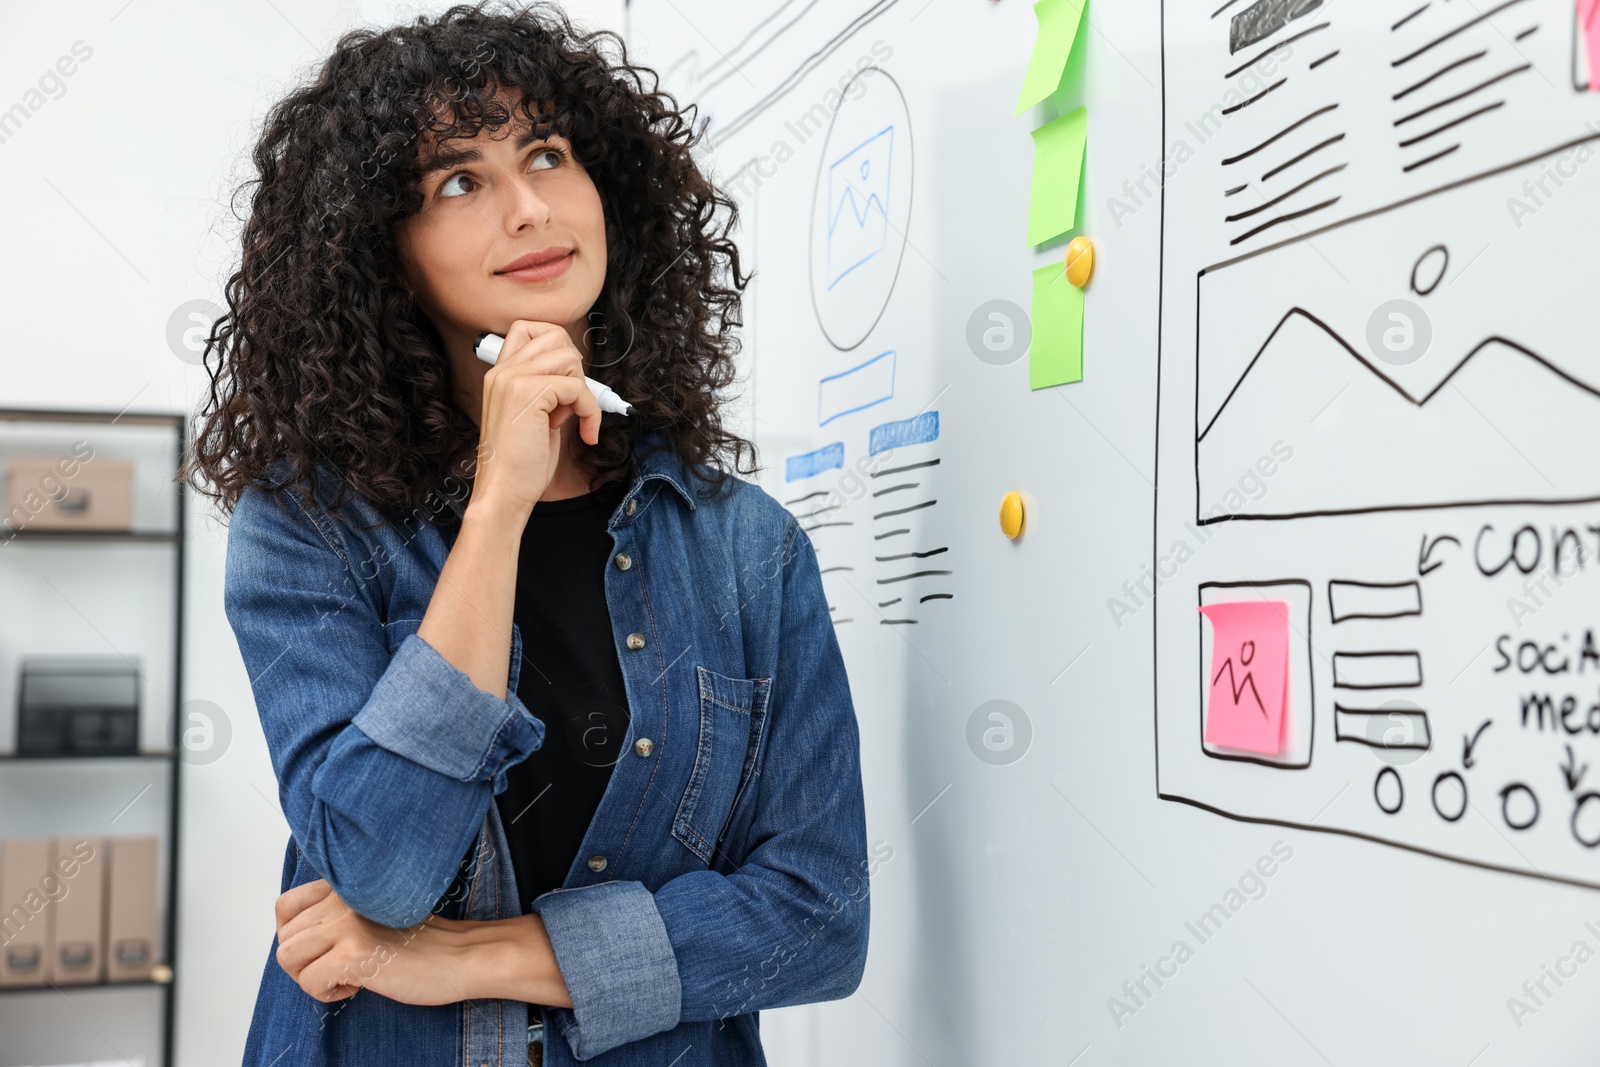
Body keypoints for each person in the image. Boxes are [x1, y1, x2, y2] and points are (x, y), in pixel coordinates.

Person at [181, 4, 870, 1064]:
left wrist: (474, 955)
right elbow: (381, 866)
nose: (528, 207)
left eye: (546, 152)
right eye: (459, 180)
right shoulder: (307, 528)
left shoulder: (749, 548)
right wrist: (499, 500)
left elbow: (818, 920)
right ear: (384, 254)